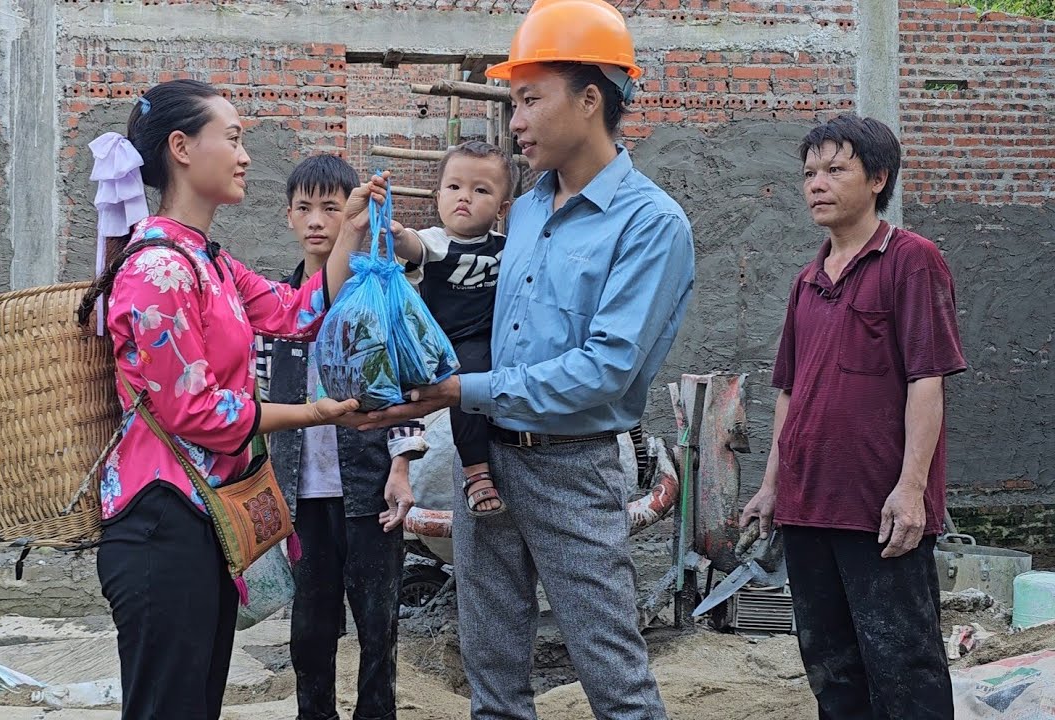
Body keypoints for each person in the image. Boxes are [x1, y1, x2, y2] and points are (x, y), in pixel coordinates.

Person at [361, 1, 695, 717]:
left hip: (571, 467)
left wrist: (457, 391)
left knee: (614, 677)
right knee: (493, 672)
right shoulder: (530, 206)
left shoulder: (650, 224)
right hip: (488, 459)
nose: (514, 121)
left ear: (590, 99)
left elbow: (605, 370)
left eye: (527, 99)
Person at [75, 78, 385, 720]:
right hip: (160, 524)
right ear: (182, 148)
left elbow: (299, 314)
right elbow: (198, 413)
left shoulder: (210, 261)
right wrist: (314, 413)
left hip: (202, 522)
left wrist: (350, 231)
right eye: (234, 138)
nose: (245, 156)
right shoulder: (159, 269)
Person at [740, 114, 966, 719]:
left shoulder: (912, 261)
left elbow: (928, 380)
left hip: (880, 510)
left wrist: (911, 491)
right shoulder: (807, 281)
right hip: (808, 505)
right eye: (809, 172)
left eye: (836, 170)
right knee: (832, 671)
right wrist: (770, 487)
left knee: (903, 668)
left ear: (877, 179)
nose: (817, 183)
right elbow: (789, 392)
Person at [256, 153, 427, 720]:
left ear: (350, 215)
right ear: (288, 218)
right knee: (310, 625)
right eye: (304, 208)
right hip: (300, 494)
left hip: (368, 484)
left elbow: (403, 383)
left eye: (331, 208)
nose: (317, 221)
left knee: (378, 622)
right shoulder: (271, 311)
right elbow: (257, 403)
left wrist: (401, 466)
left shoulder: (373, 296)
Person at [388, 140, 514, 517]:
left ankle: (484, 467)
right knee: (453, 382)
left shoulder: (507, 246)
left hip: (488, 340)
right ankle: (466, 470)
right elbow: (413, 247)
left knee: (478, 376)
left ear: (502, 209)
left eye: (481, 190)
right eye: (455, 187)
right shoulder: (434, 242)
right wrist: (396, 235)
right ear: (438, 194)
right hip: (441, 343)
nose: (465, 198)